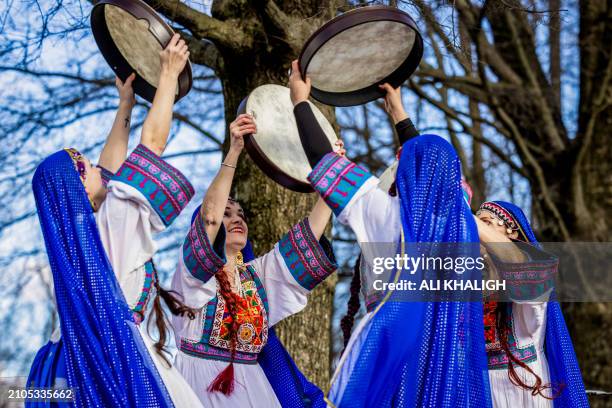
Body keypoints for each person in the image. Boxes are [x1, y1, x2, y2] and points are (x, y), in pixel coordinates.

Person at [288, 60, 491, 407]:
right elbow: (441, 176)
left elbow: (326, 162)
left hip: (393, 349)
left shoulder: (390, 217)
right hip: (450, 360)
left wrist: (300, 102)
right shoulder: (463, 225)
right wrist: (399, 113)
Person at [26, 34, 202, 407]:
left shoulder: (78, 250)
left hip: (69, 370)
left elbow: (110, 168)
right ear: (80, 192)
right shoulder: (113, 226)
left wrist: (126, 103)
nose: (99, 168)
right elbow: (150, 145)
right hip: (124, 366)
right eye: (87, 167)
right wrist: (169, 74)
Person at [170, 112, 340, 407]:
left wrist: (332, 174)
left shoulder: (258, 276)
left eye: (241, 215)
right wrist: (235, 150)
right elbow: (209, 216)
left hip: (257, 391)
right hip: (199, 390)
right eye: (228, 213)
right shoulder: (192, 277)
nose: (237, 219)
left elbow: (310, 237)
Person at [475, 200, 589, 408]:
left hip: (526, 389)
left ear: (512, 232)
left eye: (486, 223)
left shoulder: (530, 271)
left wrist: (464, 212)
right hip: (482, 390)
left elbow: (513, 259)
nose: (478, 232)